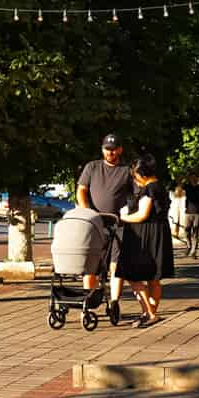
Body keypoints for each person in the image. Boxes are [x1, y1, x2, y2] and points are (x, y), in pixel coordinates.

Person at [76, 133, 133, 316]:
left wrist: (129, 210)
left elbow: (135, 196)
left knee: (116, 264)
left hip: (118, 225)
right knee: (91, 264)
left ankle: (114, 302)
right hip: (94, 224)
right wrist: (87, 212)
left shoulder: (126, 171)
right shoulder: (92, 167)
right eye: (107, 149)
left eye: (114, 149)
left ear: (120, 150)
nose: (110, 153)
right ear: (102, 150)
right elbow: (81, 191)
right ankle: (89, 301)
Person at [117, 154, 174, 327]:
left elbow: (142, 215)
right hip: (159, 233)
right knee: (153, 278)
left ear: (141, 174)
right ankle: (151, 313)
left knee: (132, 275)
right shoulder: (160, 187)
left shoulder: (149, 189)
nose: (135, 180)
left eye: (135, 176)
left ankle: (149, 313)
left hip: (145, 236)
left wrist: (123, 217)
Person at [182, 174, 199, 258]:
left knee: (195, 232)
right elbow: (178, 180)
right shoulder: (187, 186)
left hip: (197, 213)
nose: (193, 179)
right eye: (192, 178)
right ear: (189, 179)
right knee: (186, 231)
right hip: (188, 212)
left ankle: (194, 251)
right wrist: (185, 176)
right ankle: (189, 246)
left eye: (195, 177)